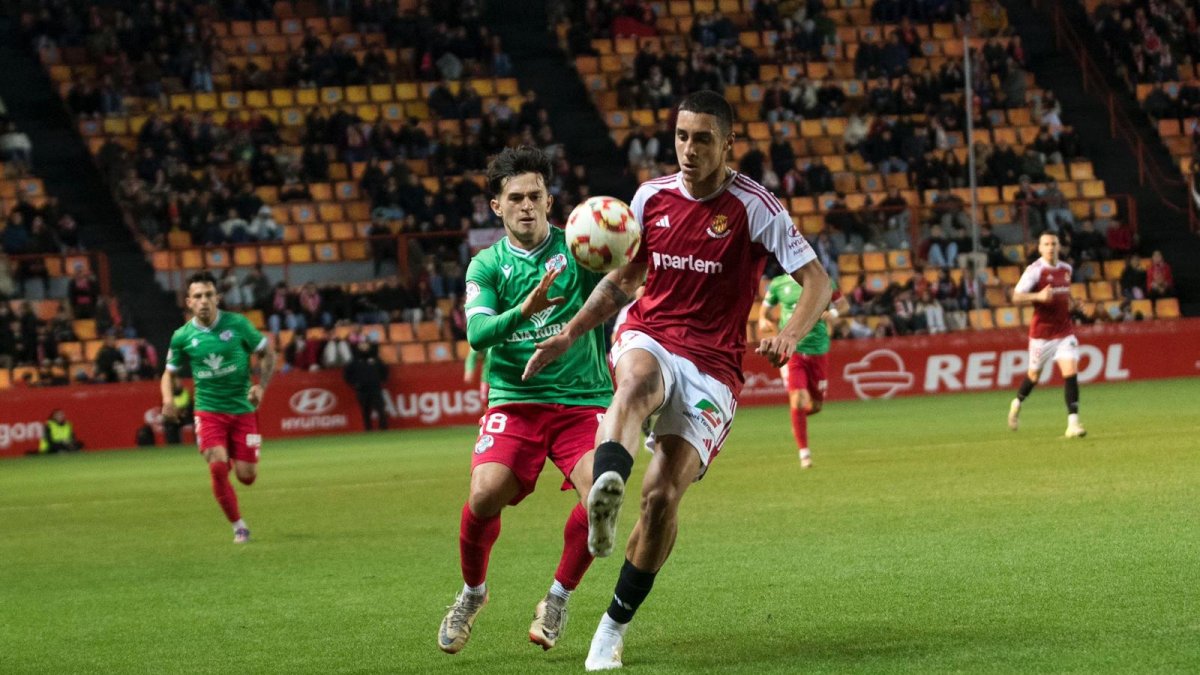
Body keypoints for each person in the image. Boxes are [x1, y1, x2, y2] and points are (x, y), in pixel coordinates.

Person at [522, 90, 831, 671]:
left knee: (662, 497)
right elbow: (623, 282)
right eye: (682, 136)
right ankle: (605, 489)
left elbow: (818, 283)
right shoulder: (650, 197)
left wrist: (790, 331)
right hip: (652, 333)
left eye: (703, 139)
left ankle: (612, 626)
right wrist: (570, 331)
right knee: (635, 383)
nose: (689, 149)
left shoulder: (755, 206)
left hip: (714, 365)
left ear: (728, 144)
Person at [436, 146, 613, 655]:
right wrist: (525, 308)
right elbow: (477, 333)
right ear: (496, 206)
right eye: (515, 198)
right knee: (483, 494)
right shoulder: (485, 265)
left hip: (583, 401)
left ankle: (557, 597)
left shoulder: (581, 252)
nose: (527, 206)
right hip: (515, 401)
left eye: (536, 195)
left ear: (550, 200)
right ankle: (472, 595)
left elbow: (621, 285)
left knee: (600, 496)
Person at [161, 271, 277, 544]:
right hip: (208, 410)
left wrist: (261, 387)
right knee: (216, 464)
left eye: (209, 295)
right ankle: (239, 526)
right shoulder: (182, 337)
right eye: (198, 296)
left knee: (247, 477)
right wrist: (167, 400)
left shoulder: (238, 324)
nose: (204, 301)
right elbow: (169, 373)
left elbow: (267, 353)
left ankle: (234, 457)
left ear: (218, 298)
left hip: (242, 409)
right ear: (189, 302)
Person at [758, 274, 849, 468]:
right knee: (798, 398)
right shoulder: (778, 284)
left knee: (815, 406)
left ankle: (796, 417)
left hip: (818, 349)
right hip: (793, 350)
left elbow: (843, 305)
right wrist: (761, 320)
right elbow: (763, 311)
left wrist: (832, 314)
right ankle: (804, 453)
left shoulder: (822, 281)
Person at [1007, 233, 1085, 438]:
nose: (1050, 247)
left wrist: (1074, 305)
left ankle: (1073, 424)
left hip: (1064, 331)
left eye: (1053, 244)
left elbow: (1063, 296)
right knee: (1034, 375)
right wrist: (1038, 296)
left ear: (1059, 247)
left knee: (1070, 373)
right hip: (1042, 334)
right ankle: (1016, 403)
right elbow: (1016, 296)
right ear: (1040, 248)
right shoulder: (1035, 270)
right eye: (1046, 244)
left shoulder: (1066, 269)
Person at [343, 341, 389, 431]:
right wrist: (355, 383)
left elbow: (385, 370)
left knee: (380, 409)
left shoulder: (376, 359)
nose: (364, 347)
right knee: (365, 410)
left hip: (375, 388)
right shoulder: (354, 361)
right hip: (362, 389)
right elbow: (347, 375)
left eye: (365, 345)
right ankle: (368, 428)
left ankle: (383, 428)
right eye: (361, 345)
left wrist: (381, 380)